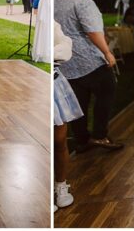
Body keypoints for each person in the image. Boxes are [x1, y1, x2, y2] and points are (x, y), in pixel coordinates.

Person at [55, 0, 124, 152]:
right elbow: (92, 31)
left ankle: (81, 140)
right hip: (89, 60)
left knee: (78, 102)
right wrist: (107, 52)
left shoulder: (56, 2)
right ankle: (99, 136)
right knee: (108, 88)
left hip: (66, 63)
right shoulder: (83, 0)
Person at [53, 20, 82, 211]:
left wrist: (53, 54)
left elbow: (66, 49)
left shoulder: (55, 25)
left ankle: (61, 186)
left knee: (60, 139)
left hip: (55, 84)